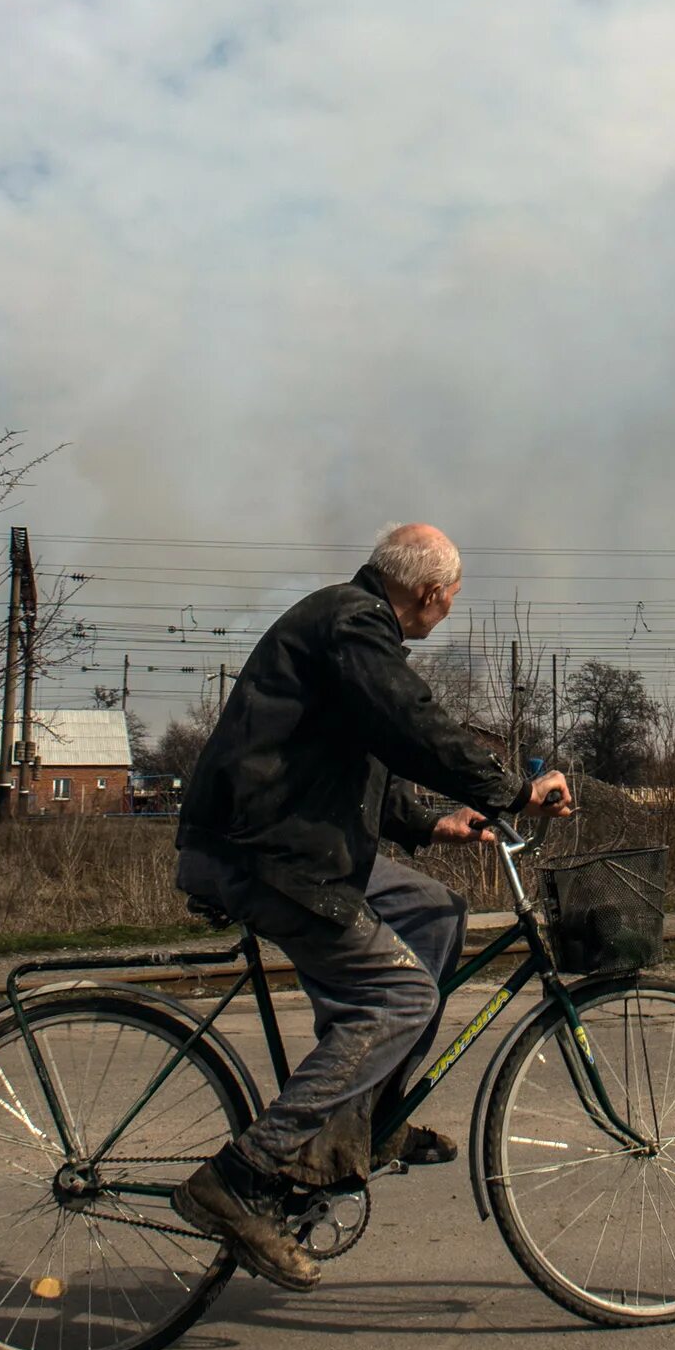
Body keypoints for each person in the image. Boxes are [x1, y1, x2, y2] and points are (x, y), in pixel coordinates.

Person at [170, 522, 575, 1289]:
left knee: (435, 914)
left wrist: (433, 821)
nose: (447, 612)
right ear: (429, 594)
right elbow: (412, 726)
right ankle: (244, 1176)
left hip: (293, 844)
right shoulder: (354, 624)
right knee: (398, 994)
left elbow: (339, 765)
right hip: (262, 856)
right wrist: (515, 791)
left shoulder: (343, 628)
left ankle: (361, 1124)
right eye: (451, 600)